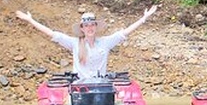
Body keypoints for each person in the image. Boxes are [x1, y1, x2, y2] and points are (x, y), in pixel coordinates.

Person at [15, 6, 158, 78]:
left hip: (100, 85)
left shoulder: (105, 42)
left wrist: (144, 18)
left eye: (92, 25)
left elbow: (125, 32)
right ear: (82, 28)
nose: (90, 28)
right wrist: (30, 20)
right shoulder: (74, 43)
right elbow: (52, 34)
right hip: (79, 87)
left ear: (96, 27)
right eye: (86, 26)